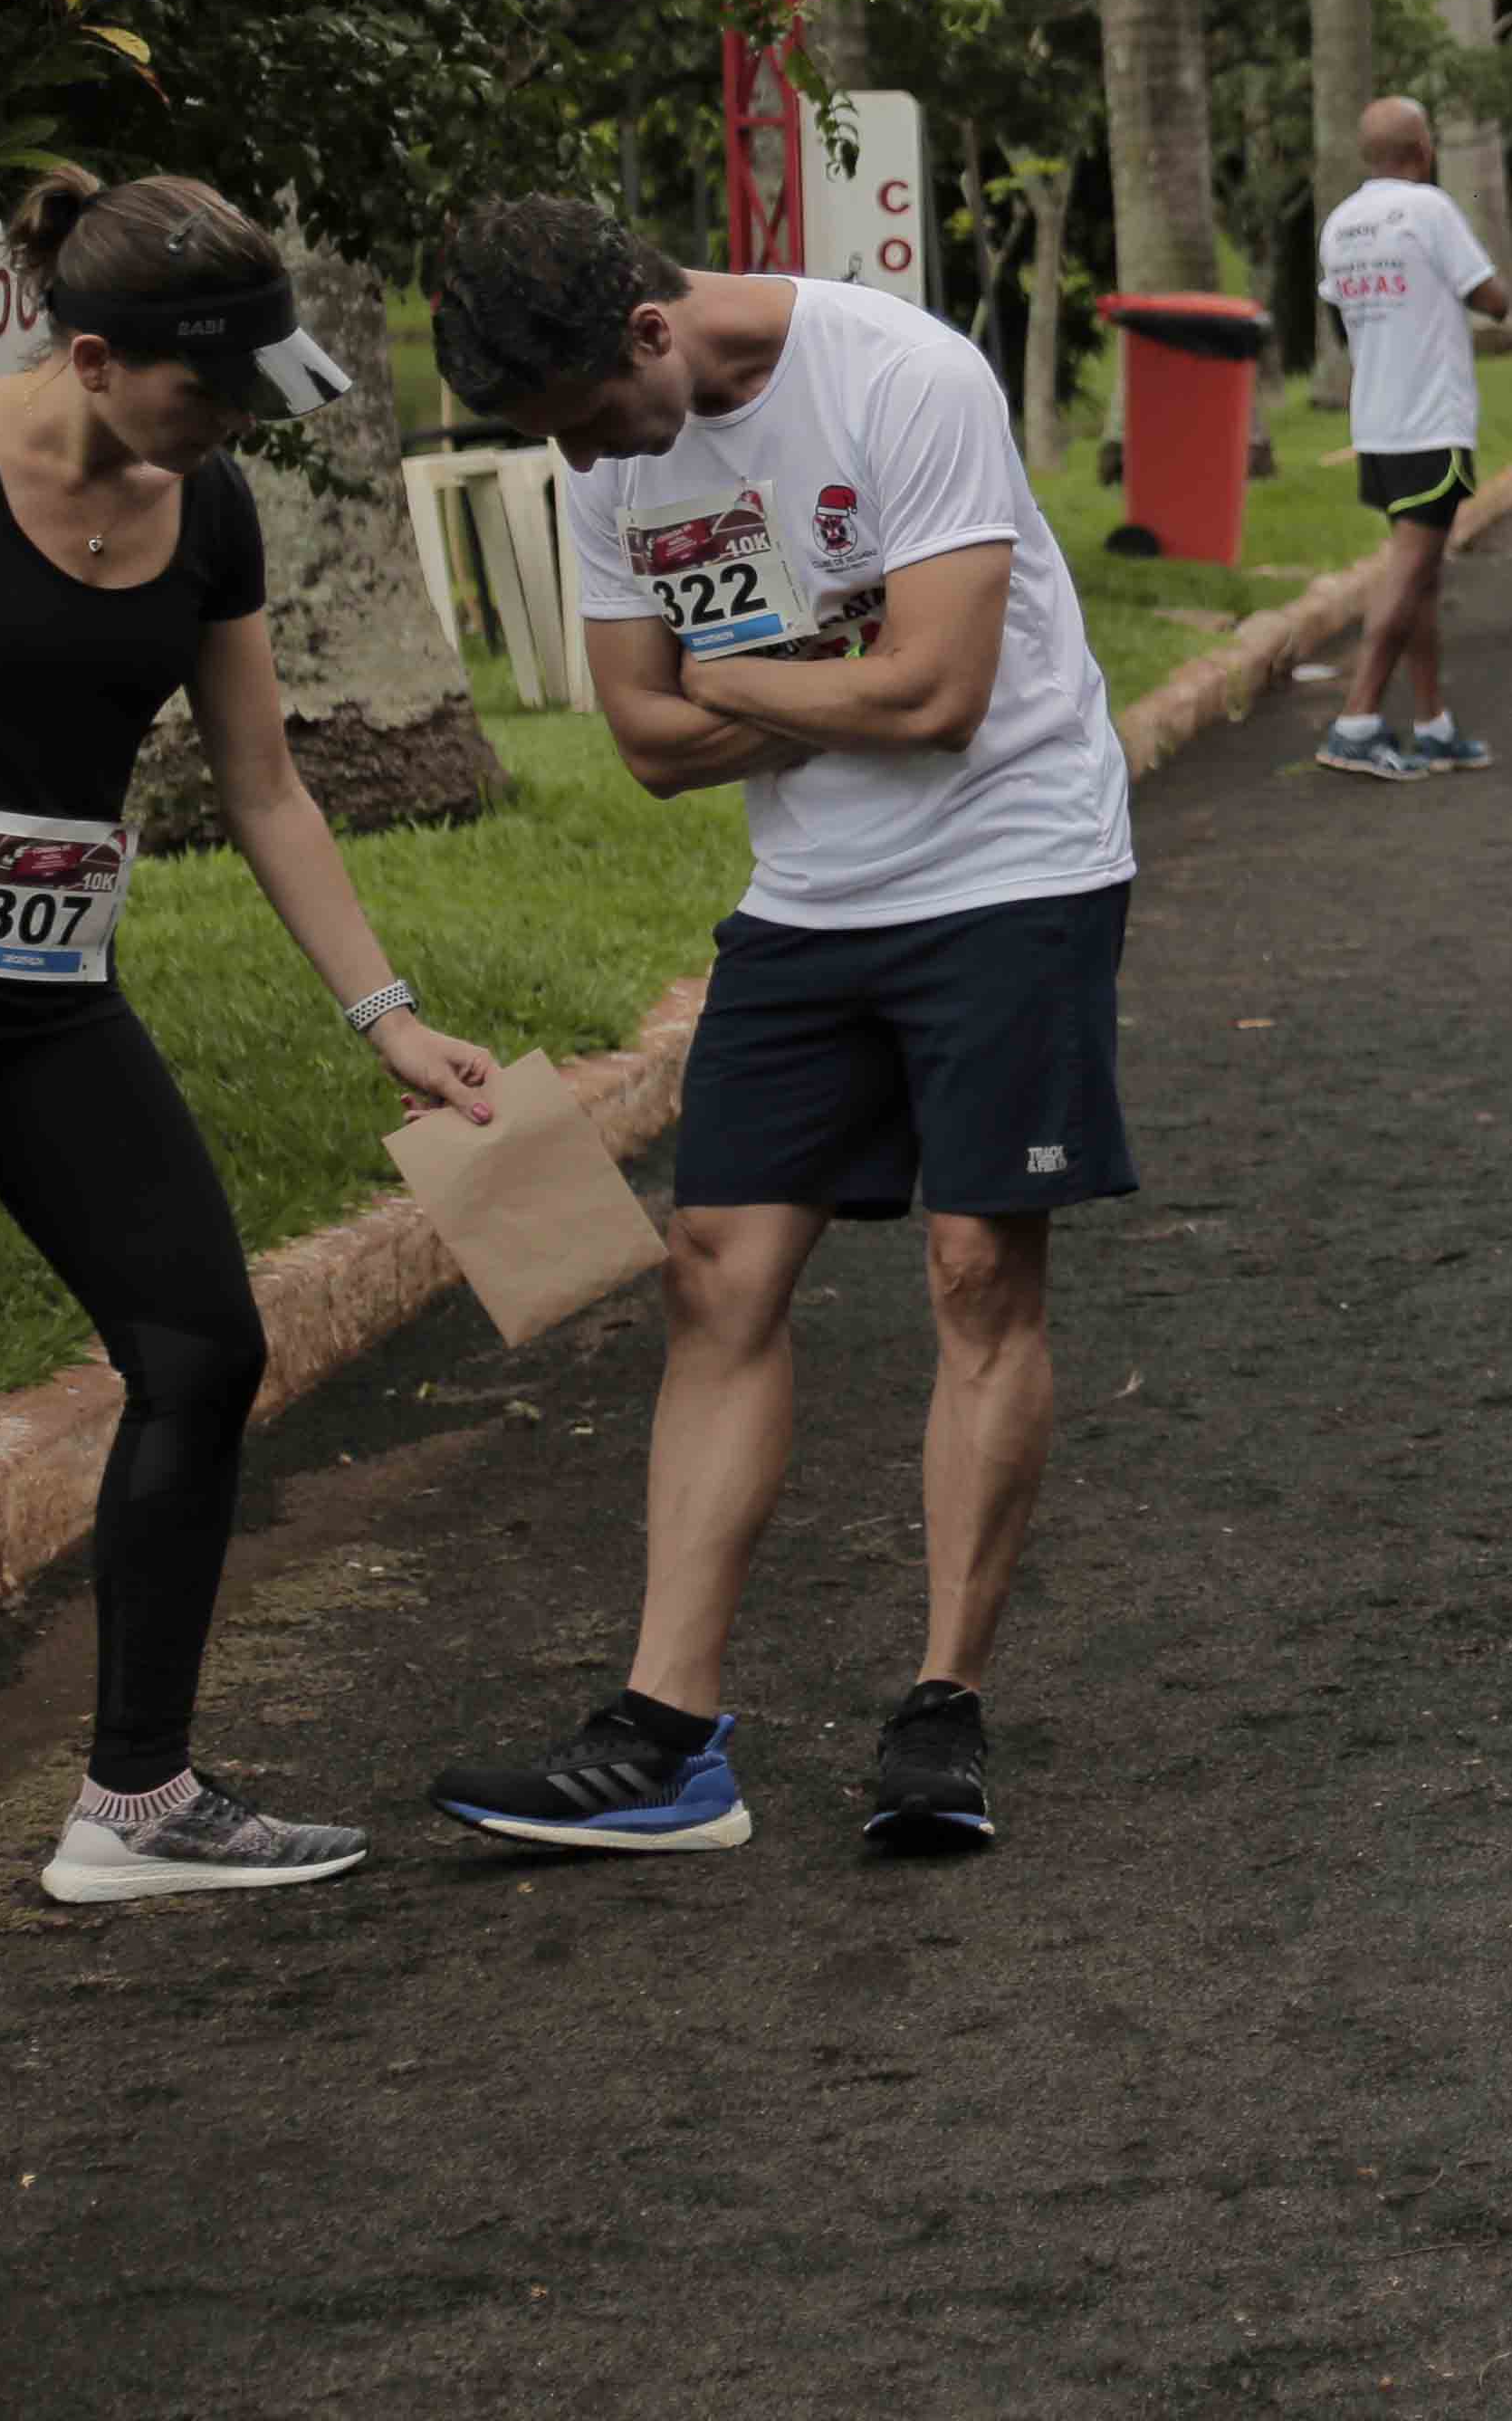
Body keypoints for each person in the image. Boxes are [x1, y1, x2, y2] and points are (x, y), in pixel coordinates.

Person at [423, 196, 1138, 1861]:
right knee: (713, 1271)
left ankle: (941, 1713)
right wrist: (833, 663)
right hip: (811, 903)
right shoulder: (605, 459)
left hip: (1012, 866)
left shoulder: (903, 379)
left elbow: (941, 701)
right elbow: (647, 746)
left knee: (976, 1266)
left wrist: (742, 675)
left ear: (651, 335)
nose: (590, 462)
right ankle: (667, 1738)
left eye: (595, 419)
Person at [0, 173, 501, 1903]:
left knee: (199, 1345)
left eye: (258, 382)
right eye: (209, 387)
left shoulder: (215, 506)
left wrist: (384, 1015)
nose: (237, 417)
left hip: (42, 998)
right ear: (91, 356)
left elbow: (264, 786)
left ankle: (140, 1804)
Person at [1307, 98, 1511, 783]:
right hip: (1432, 423)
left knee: (1422, 572)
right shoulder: (1429, 210)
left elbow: (1343, 314)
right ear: (1422, 149)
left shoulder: (1340, 225)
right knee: (1408, 567)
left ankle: (1432, 725)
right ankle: (1356, 722)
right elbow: (1493, 299)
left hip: (1377, 426)